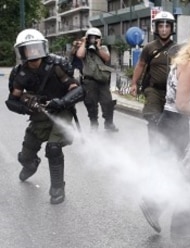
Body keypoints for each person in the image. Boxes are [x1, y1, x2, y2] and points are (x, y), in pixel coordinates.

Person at [139, 25, 190, 241]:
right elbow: (182, 104)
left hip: (184, 125)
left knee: (185, 174)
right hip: (175, 123)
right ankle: (182, 228)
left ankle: (154, 205)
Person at [5, 29, 85, 205]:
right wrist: (27, 107)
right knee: (25, 155)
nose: (33, 53)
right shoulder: (20, 73)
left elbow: (78, 90)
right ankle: (30, 164)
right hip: (39, 115)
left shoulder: (57, 65)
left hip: (61, 110)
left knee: (53, 147)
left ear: (43, 47)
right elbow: (12, 101)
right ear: (22, 52)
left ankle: (57, 187)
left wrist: (61, 102)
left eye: (36, 48)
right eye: (28, 49)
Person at [130, 11, 176, 152]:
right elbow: (141, 65)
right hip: (154, 89)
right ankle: (155, 150)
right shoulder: (149, 47)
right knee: (153, 118)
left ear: (171, 28)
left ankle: (169, 149)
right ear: (156, 28)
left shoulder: (177, 48)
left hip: (172, 92)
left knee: (171, 123)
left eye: (167, 26)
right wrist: (133, 84)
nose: (163, 29)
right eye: (160, 26)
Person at [76, 27, 118, 132]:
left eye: (96, 38)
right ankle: (93, 124)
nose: (93, 39)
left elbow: (107, 58)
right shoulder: (84, 49)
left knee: (108, 102)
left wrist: (98, 47)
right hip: (89, 81)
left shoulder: (103, 48)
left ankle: (109, 123)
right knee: (91, 103)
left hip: (102, 81)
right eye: (91, 37)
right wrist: (84, 42)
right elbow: (79, 55)